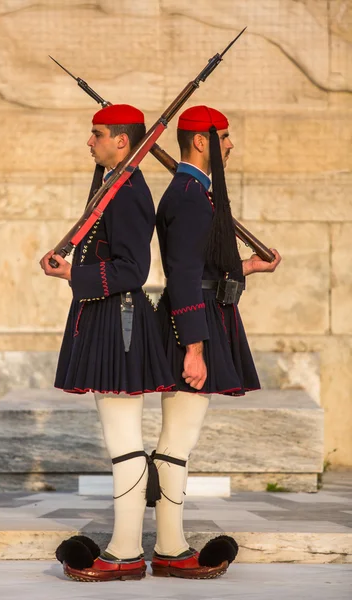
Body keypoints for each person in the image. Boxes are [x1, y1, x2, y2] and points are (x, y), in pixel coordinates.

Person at [40, 104, 175, 582]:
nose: (89, 141)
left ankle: (124, 554)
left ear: (123, 141)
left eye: (97, 134)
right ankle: (129, 548)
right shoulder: (112, 186)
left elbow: (132, 270)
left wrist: (71, 273)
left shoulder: (130, 192)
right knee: (121, 441)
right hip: (104, 317)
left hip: (120, 321)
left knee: (123, 442)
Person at [151, 105, 281, 577]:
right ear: (201, 142)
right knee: (177, 439)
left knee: (178, 438)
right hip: (194, 323)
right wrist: (194, 347)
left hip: (202, 316)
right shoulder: (187, 196)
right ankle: (169, 548)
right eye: (223, 137)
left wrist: (247, 268)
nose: (230, 144)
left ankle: (168, 542)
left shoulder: (196, 193)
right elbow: (183, 275)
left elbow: (203, 269)